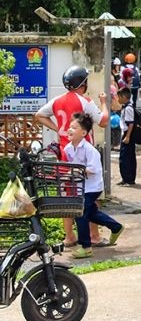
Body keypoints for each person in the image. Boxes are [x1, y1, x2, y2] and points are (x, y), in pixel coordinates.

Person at [34, 65, 108, 247]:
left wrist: (58, 130)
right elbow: (103, 121)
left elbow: (39, 115)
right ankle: (94, 236)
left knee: (67, 194)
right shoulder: (85, 101)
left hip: (65, 154)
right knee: (88, 194)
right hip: (82, 152)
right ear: (83, 83)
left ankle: (69, 236)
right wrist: (104, 103)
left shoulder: (57, 101)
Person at [65, 113, 124, 259]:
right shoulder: (68, 149)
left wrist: (77, 172)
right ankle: (116, 227)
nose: (69, 130)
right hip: (81, 186)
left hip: (92, 187)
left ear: (84, 133)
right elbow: (73, 168)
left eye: (74, 127)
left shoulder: (90, 150)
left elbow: (93, 170)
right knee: (91, 213)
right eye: (69, 127)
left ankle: (86, 246)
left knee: (81, 213)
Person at [116, 88, 138, 186]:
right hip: (125, 134)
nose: (118, 99)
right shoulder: (125, 107)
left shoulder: (129, 108)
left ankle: (129, 179)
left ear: (124, 97)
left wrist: (128, 136)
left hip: (128, 134)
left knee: (127, 158)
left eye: (119, 97)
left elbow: (131, 124)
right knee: (124, 157)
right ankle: (125, 178)